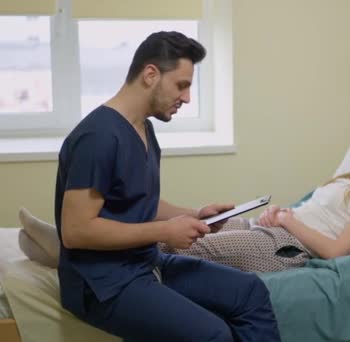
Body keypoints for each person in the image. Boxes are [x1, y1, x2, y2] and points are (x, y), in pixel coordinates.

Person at [52, 31, 281, 342]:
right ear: (150, 74)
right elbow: (76, 231)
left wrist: (198, 215)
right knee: (213, 334)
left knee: (251, 292)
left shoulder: (143, 128)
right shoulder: (99, 137)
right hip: (102, 283)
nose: (186, 97)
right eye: (182, 85)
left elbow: (136, 200)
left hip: (142, 263)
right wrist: (164, 232)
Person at [159, 118, 350, 272]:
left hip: (286, 246)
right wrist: (279, 213)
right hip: (271, 230)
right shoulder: (349, 178)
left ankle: (131, 271)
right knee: (193, 226)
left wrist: (287, 221)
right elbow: (313, 214)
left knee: (187, 245)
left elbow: (337, 252)